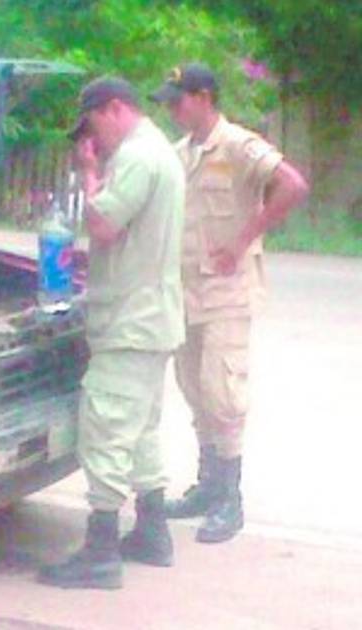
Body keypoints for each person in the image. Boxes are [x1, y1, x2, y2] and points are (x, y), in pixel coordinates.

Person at [150, 63, 309, 543]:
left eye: (178, 100)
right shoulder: (179, 154)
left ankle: (230, 500)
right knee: (195, 390)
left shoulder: (239, 145)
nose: (173, 110)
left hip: (227, 291)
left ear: (204, 97)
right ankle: (208, 486)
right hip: (186, 292)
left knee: (223, 393)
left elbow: (293, 186)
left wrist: (243, 240)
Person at [38, 77, 186, 590]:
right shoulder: (159, 151)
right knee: (140, 429)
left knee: (105, 429)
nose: (92, 141)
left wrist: (89, 173)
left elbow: (103, 225)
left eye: (92, 127)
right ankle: (152, 532)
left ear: (114, 109)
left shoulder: (137, 156)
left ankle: (100, 554)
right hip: (150, 318)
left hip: (131, 321)